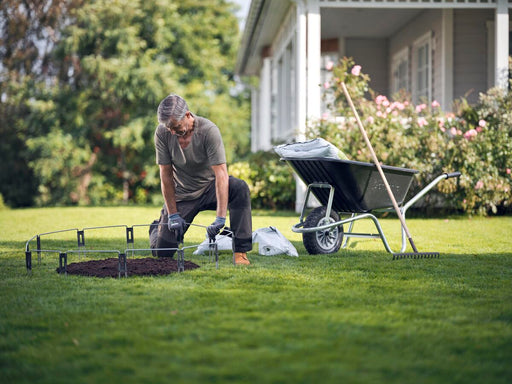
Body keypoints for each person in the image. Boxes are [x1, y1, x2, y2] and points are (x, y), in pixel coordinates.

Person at [151, 94, 252, 265]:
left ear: (188, 115)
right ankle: (157, 226)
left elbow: (221, 174)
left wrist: (220, 218)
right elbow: (166, 175)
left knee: (239, 188)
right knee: (162, 253)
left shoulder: (208, 131)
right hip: (183, 194)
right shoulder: (162, 133)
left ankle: (240, 252)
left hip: (209, 188)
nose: (173, 132)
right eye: (170, 129)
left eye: (176, 127)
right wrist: (173, 215)